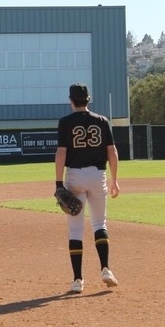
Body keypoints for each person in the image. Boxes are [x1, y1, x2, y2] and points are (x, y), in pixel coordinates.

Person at [55, 83, 120, 294]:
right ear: (88, 100)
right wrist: (114, 179)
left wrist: (58, 183)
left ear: (71, 100)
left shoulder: (65, 122)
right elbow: (112, 151)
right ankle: (106, 269)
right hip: (97, 175)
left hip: (75, 176)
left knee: (75, 229)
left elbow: (61, 153)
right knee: (99, 223)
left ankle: (77, 280)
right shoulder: (102, 121)